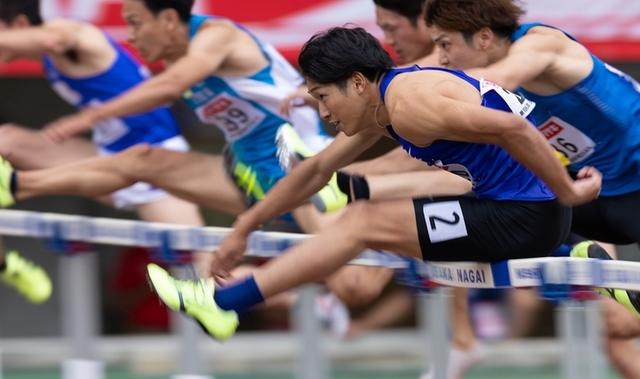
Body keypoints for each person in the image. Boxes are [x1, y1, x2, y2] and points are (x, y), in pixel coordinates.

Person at [146, 26, 603, 343]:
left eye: (324, 97)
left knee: (364, 220)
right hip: (517, 215)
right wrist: (244, 228)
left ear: (358, 83)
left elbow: (517, 129)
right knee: (377, 214)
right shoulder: (384, 106)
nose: (323, 114)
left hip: (524, 217)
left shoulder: (409, 106)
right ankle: (571, 252)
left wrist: (568, 191)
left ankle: (224, 303)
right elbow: (312, 170)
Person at [416, 1, 640, 379]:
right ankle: (472, 332)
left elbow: (496, 80)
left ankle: (620, 282)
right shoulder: (473, 56)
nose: (441, 58)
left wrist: (408, 94)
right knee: (613, 328)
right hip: (586, 193)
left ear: (482, 38)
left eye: (445, 45)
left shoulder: (541, 45)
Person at [0, 0, 336, 232]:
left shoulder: (216, 36)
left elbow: (169, 88)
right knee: (139, 162)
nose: (130, 37)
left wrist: (92, 116)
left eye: (135, 23)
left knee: (350, 284)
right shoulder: (176, 60)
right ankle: (14, 199)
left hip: (298, 166)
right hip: (248, 174)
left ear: (168, 20)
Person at [0, 0, 205, 300]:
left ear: (19, 25)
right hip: (108, 160)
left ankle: (281, 289)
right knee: (6, 140)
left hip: (157, 168)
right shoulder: (47, 58)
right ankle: (7, 265)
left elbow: (52, 38)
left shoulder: (71, 33)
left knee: (206, 275)